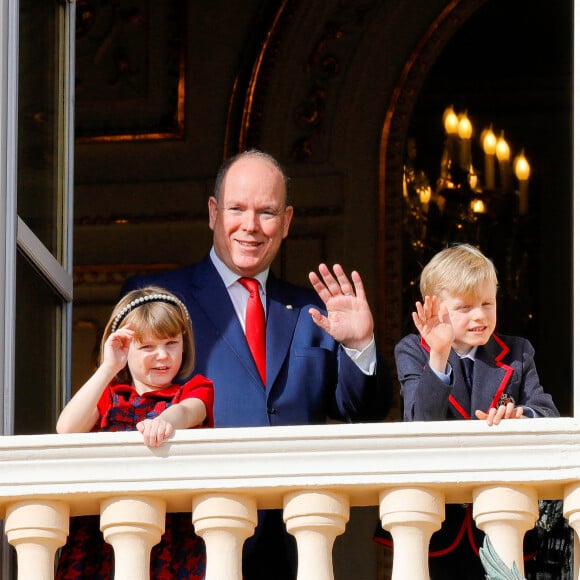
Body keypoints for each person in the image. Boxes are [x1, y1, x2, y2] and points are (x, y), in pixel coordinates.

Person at [121, 148, 392, 579]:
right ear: (213, 212)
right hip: (192, 535)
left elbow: (362, 409)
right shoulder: (158, 296)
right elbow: (121, 405)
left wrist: (360, 344)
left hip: (293, 540)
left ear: (286, 222)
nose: (250, 226)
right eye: (236, 209)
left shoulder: (313, 311)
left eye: (266, 212)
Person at [374, 243, 561, 579]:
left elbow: (546, 412)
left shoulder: (518, 352)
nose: (480, 315)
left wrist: (521, 416)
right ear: (435, 308)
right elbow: (419, 421)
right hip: (437, 525)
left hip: (502, 518)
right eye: (465, 307)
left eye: (487, 304)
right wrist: (439, 354)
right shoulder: (414, 351)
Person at [56, 286, 214, 579]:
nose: (162, 355)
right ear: (125, 349)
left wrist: (163, 420)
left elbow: (189, 411)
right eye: (147, 347)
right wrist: (108, 368)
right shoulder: (110, 395)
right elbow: (66, 428)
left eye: (171, 343)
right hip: (103, 531)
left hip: (171, 533)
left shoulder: (193, 389)